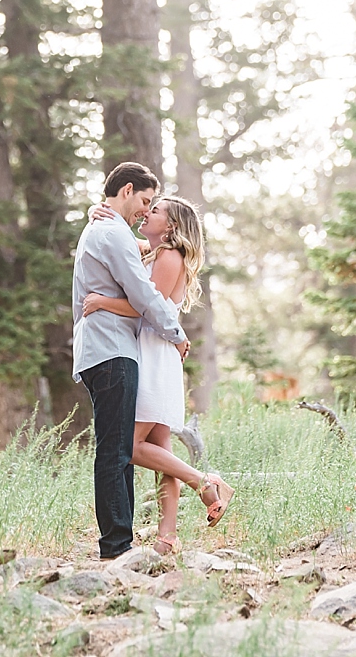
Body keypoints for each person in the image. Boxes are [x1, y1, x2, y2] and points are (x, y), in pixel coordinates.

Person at [85, 196, 234, 555]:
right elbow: (125, 241)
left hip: (155, 355)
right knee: (161, 450)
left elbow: (145, 308)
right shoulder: (155, 252)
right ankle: (168, 538)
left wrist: (101, 302)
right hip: (154, 352)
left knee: (129, 446)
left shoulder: (169, 257)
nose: (146, 213)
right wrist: (98, 213)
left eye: (154, 211)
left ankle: (205, 481)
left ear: (170, 226)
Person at [72, 162, 190, 560]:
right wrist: (177, 333)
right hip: (111, 350)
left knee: (120, 449)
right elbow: (142, 295)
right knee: (116, 451)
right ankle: (116, 547)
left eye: (153, 206)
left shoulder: (108, 229)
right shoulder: (112, 232)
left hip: (108, 349)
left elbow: (142, 262)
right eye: (144, 200)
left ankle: (123, 543)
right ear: (126, 191)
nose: (145, 209)